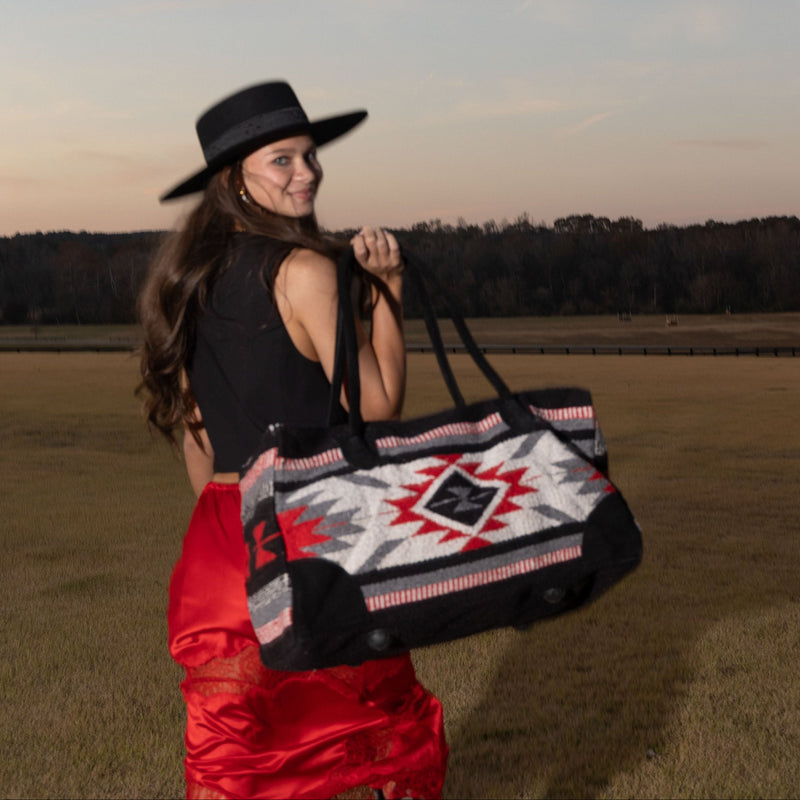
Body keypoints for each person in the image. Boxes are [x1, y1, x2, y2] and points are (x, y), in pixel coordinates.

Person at [137, 81, 448, 800]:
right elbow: (377, 404)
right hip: (312, 532)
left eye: (310, 155)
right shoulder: (305, 270)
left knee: (231, 763)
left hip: (221, 541)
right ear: (232, 179)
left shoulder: (187, 283)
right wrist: (389, 291)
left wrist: (234, 526)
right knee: (390, 734)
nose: (307, 171)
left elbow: (199, 438)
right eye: (282, 159)